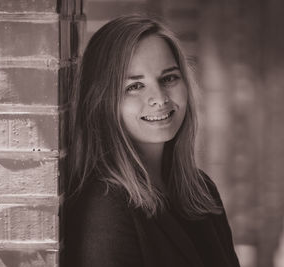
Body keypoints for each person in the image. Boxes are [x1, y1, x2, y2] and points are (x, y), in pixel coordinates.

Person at [64, 15, 240, 267]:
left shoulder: (201, 189)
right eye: (134, 86)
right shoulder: (105, 212)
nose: (159, 98)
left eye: (168, 78)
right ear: (103, 101)